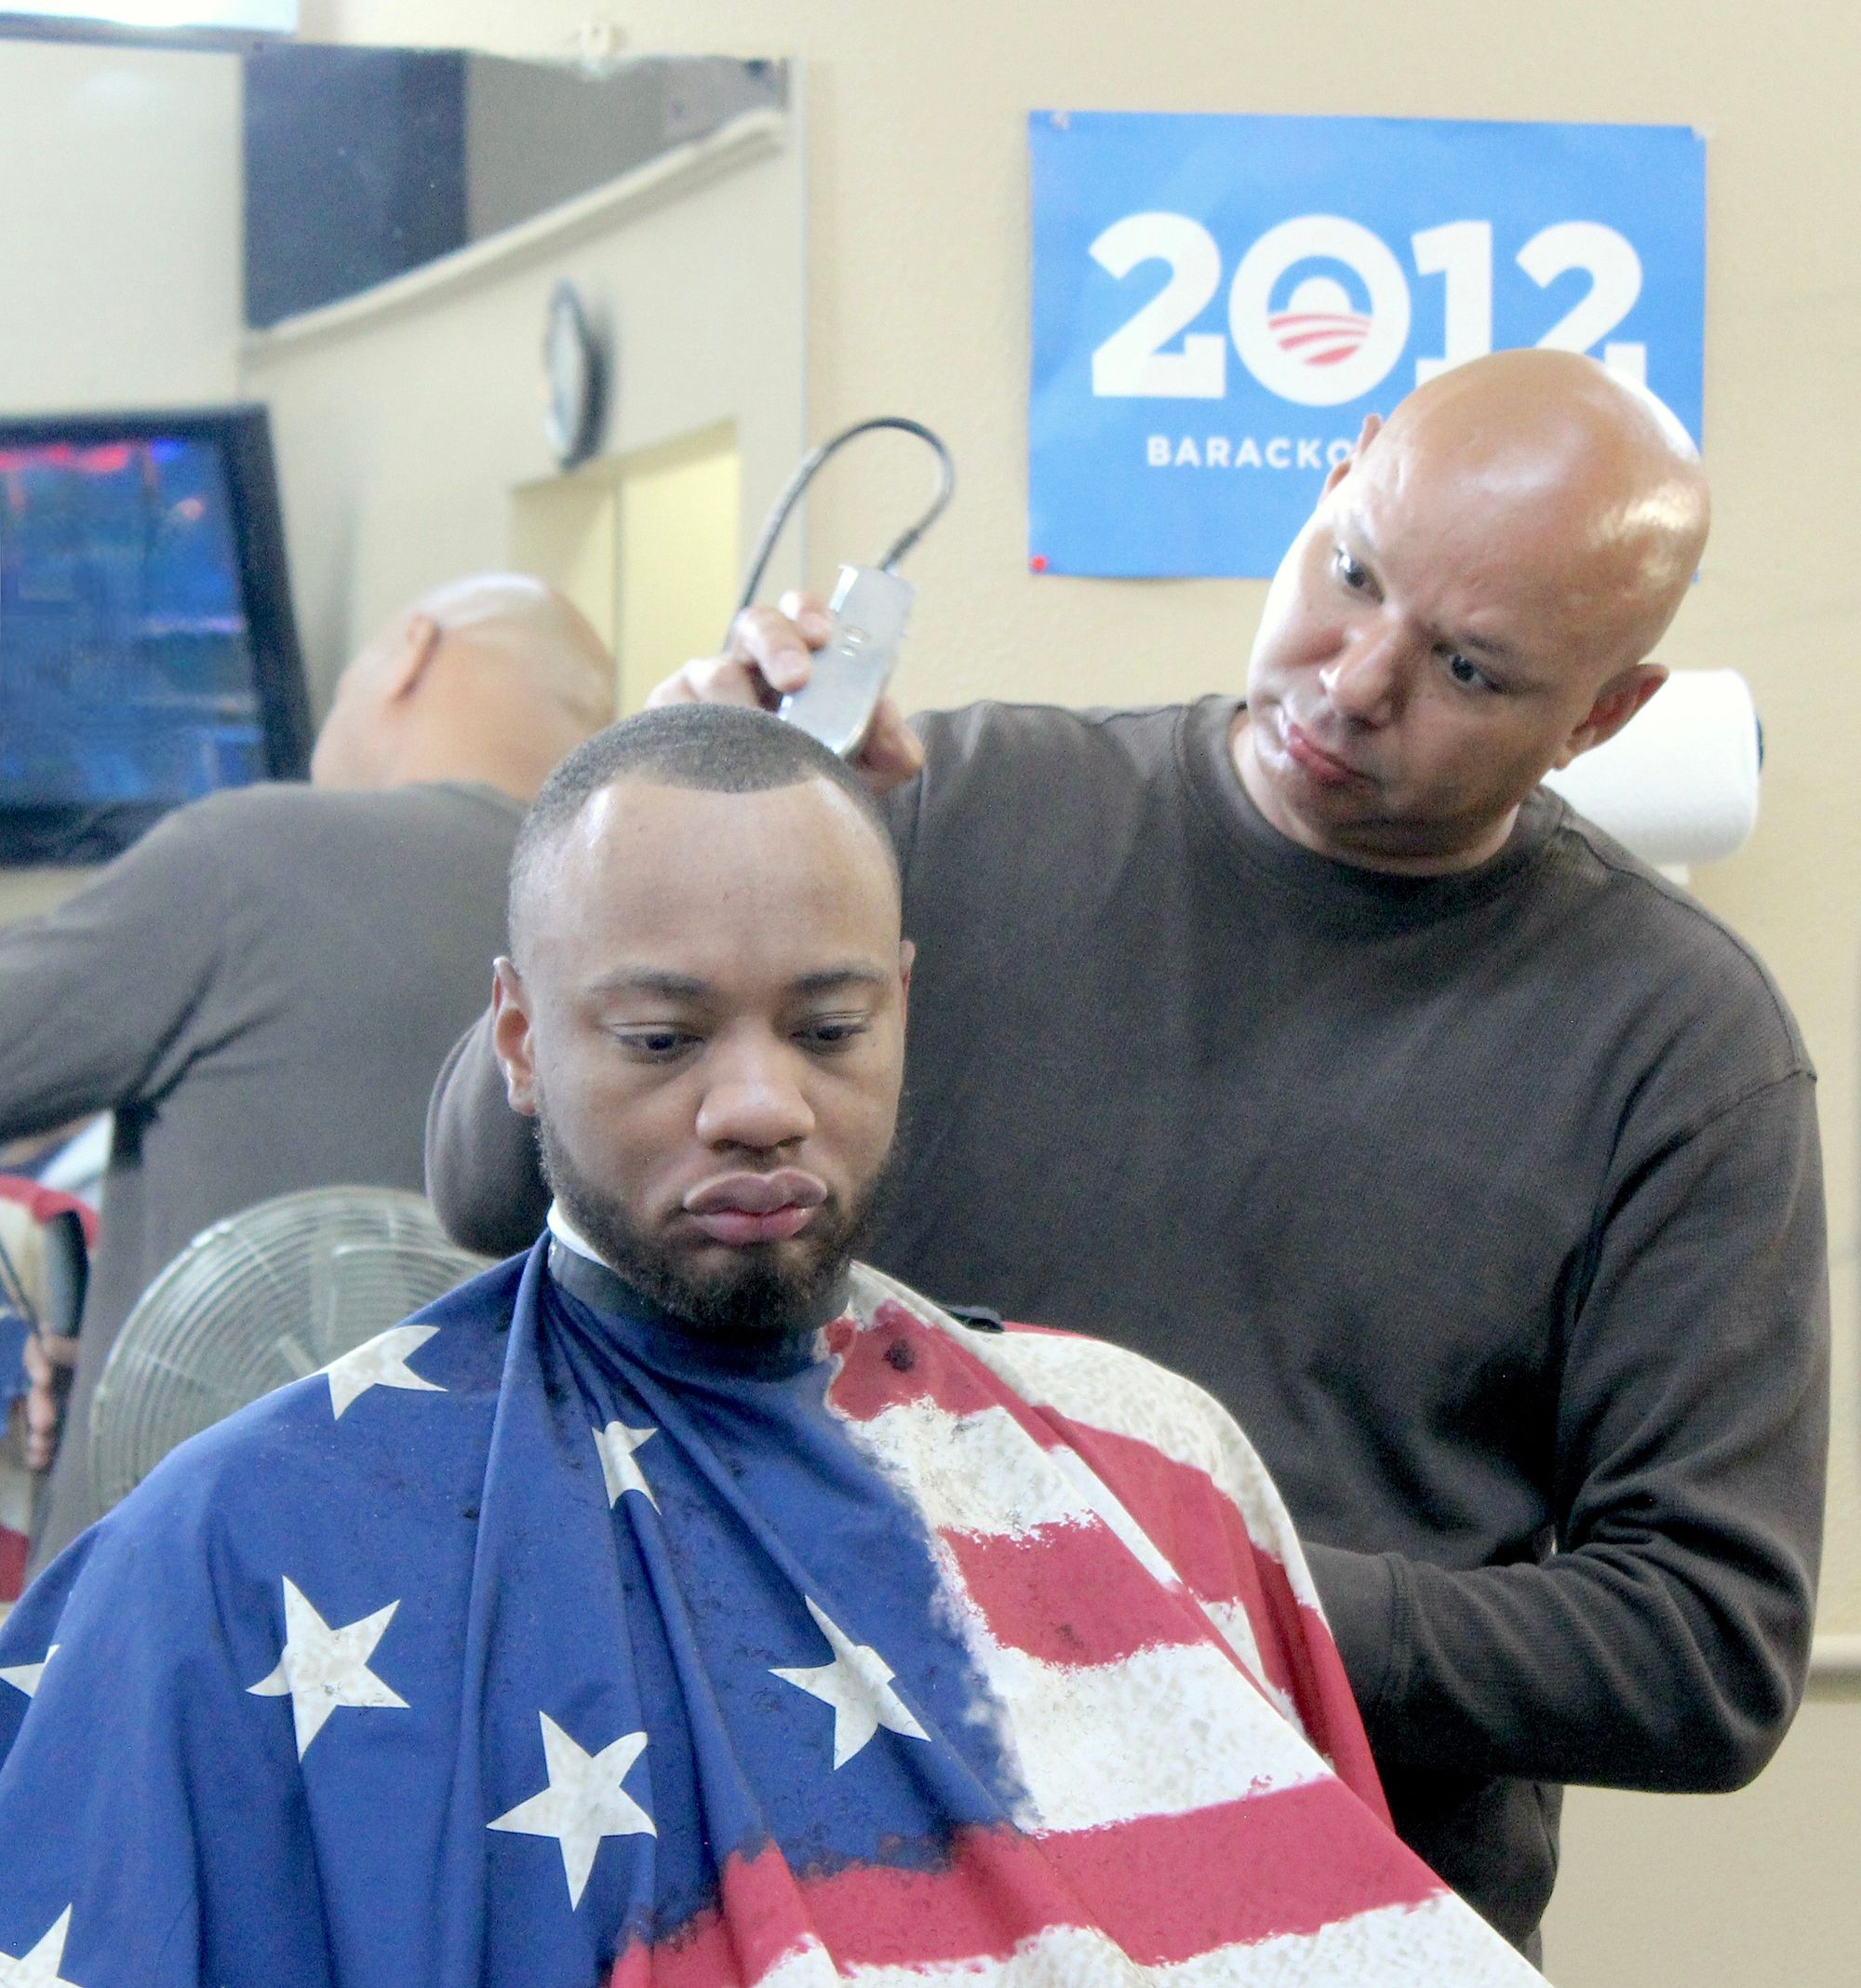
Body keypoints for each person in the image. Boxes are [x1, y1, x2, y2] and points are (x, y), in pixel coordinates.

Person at [426, 352, 1830, 1956]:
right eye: (1352, 573)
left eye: (1468, 667)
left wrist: (1184, 1569)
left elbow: (1704, 1653)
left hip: (1302, 1926)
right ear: (1336, 469)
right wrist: (640, 875)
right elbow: (485, 1191)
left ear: (1606, 714)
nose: (1355, 680)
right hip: (837, 1887)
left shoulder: (1677, 1046)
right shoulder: (934, 816)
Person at [0, 707, 1541, 1986]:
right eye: (665, 1038)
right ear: (524, 1042)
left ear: (903, 1007)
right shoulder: (248, 1539)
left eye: (828, 1028)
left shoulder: (1148, 1467)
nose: (759, 1104)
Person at [0, 572, 615, 1565]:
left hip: (178, 1627)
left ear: (410, 649)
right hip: (500, 1609)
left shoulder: (250, 857)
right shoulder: (620, 916)